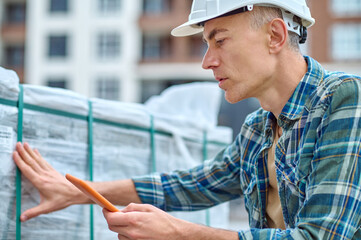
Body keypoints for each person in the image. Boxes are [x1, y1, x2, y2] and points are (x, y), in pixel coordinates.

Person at [13, 0, 361, 239]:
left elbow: (321, 235)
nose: (207, 61)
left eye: (220, 41)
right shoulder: (258, 129)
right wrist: (78, 192)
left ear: (275, 35)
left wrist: (178, 233)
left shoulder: (344, 99)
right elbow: (193, 185)